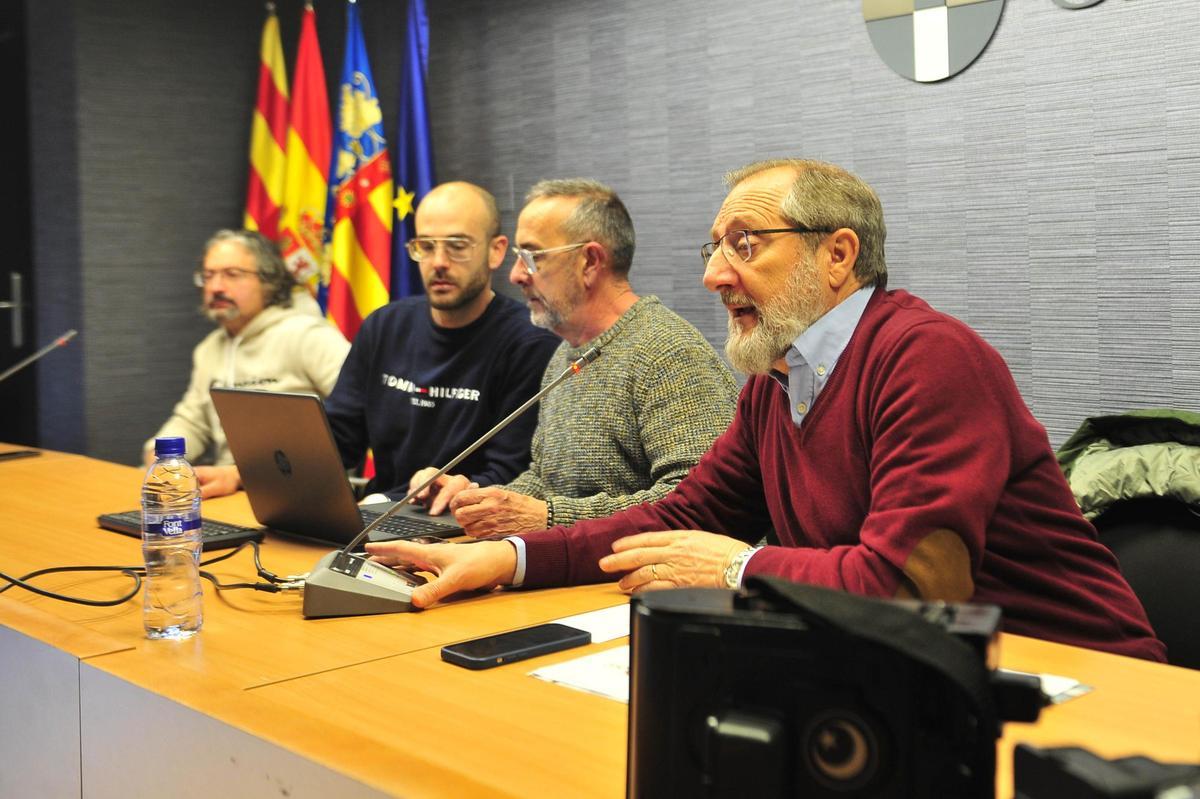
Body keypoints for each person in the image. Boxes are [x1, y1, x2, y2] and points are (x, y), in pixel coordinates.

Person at [366, 159, 1165, 662]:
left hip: (1074, 676)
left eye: (744, 244)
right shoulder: (776, 384)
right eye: (712, 248)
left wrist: (736, 566)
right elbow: (683, 511)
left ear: (838, 254)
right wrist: (509, 558)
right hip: (906, 666)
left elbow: (917, 584)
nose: (715, 275)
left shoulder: (926, 356)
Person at [410, 178, 738, 536]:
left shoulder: (669, 353)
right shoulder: (564, 353)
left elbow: (700, 505)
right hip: (574, 570)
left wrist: (550, 518)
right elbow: (544, 481)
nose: (517, 274)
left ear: (589, 261)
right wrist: (477, 503)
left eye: (532, 257)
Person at [323, 181, 559, 501]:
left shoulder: (530, 343)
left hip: (464, 523)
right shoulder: (385, 326)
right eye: (426, 246)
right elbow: (338, 442)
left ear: (496, 251)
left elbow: (512, 475)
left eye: (457, 246)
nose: (439, 262)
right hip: (376, 514)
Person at [144, 229, 351, 498]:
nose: (216, 287)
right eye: (208, 276)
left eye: (232, 274)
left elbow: (355, 414)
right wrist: (158, 460)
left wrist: (242, 474)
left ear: (269, 281)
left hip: (298, 493)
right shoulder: (209, 349)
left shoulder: (308, 337)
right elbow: (191, 422)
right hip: (227, 494)